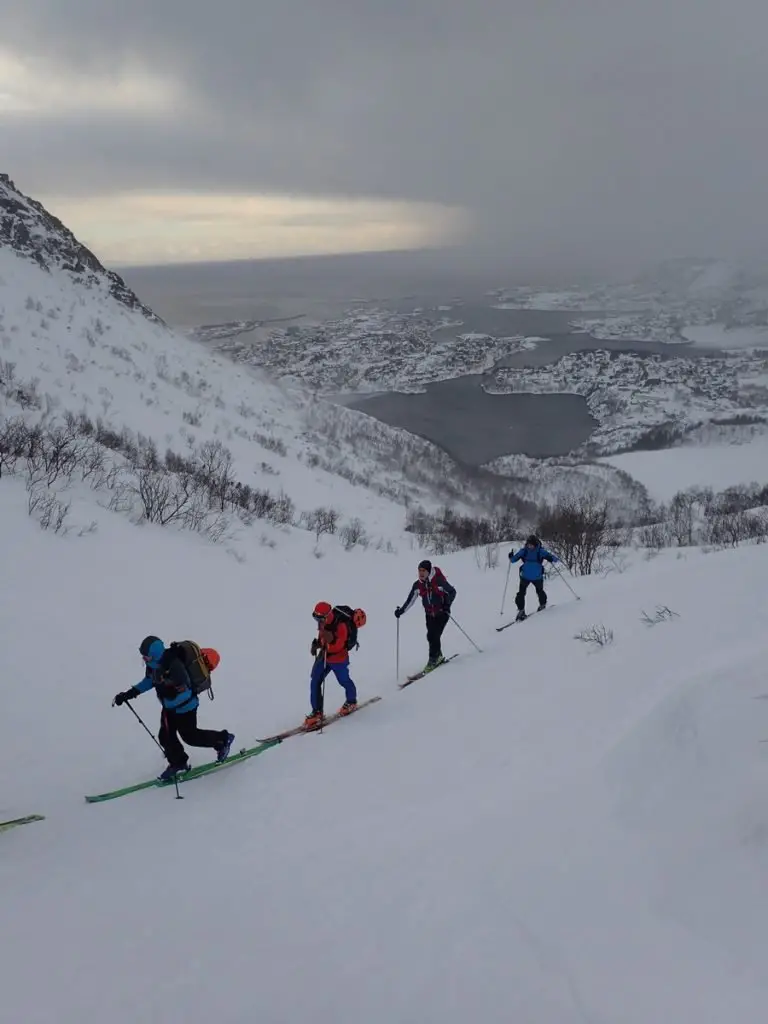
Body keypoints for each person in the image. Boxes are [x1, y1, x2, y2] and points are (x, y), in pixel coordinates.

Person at [113, 635, 235, 781]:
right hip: (169, 708)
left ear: (155, 655)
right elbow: (149, 681)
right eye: (143, 657)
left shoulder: (174, 665)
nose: (144, 660)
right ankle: (178, 763)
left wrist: (169, 700)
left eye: (146, 657)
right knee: (165, 736)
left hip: (186, 708)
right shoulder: (153, 666)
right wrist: (129, 694)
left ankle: (223, 739)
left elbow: (187, 692)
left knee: (190, 737)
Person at [395, 559, 456, 672]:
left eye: (423, 571)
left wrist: (447, 605)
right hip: (429, 615)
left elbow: (452, 592)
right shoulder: (418, 585)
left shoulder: (438, 581)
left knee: (434, 635)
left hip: (442, 613)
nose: (421, 573)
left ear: (429, 571)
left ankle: (433, 660)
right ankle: (438, 655)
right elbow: (410, 600)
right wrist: (401, 611)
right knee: (430, 636)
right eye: (419, 571)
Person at [304, 603, 358, 729]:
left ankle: (351, 701)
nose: (318, 622)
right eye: (316, 619)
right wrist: (317, 644)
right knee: (315, 680)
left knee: (344, 680)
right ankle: (317, 711)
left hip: (339, 659)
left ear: (327, 616)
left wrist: (328, 643)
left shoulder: (341, 626)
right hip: (325, 657)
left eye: (320, 619)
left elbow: (338, 646)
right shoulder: (322, 622)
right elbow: (321, 636)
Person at [509, 535, 559, 620]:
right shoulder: (524, 551)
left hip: (537, 577)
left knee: (540, 591)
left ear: (535, 544)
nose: (530, 546)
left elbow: (555, 559)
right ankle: (521, 610)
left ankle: (542, 605)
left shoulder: (540, 551)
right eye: (528, 544)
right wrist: (511, 557)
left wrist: (551, 558)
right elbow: (513, 560)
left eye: (531, 544)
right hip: (526, 576)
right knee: (521, 594)